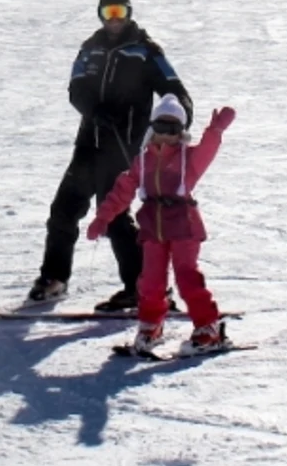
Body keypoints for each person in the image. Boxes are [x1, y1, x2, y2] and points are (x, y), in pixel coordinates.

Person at [27, 0, 192, 311]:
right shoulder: (90, 48)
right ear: (101, 15)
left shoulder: (146, 51)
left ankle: (144, 288)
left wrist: (176, 124)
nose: (114, 20)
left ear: (129, 13)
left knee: (115, 215)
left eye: (120, 12)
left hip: (124, 146)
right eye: (108, 13)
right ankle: (54, 279)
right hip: (89, 143)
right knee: (63, 211)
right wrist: (94, 110)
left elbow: (176, 92)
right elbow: (76, 88)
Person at [87, 98, 236, 355]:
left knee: (186, 276)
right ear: (152, 127)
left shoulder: (188, 159)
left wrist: (215, 131)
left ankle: (208, 328)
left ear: (181, 132)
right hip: (152, 226)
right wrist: (104, 217)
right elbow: (123, 190)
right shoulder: (143, 161)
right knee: (151, 282)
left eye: (172, 129)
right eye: (160, 127)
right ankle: (150, 326)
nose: (166, 136)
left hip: (182, 224)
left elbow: (207, 150)